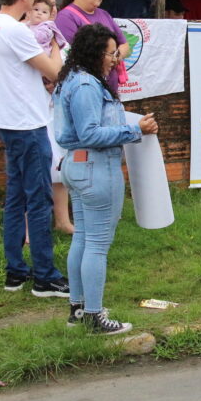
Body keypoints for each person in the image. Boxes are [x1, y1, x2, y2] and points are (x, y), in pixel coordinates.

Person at [54, 24, 157, 334]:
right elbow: (90, 133)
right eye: (112, 53)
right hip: (95, 168)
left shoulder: (72, 79)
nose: (116, 59)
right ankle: (95, 316)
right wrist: (136, 130)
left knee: (83, 238)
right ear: (96, 53)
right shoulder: (86, 85)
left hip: (78, 167)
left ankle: (79, 308)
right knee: (97, 245)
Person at [0, 0, 68, 297]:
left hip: (7, 120)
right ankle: (45, 277)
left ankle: (15, 272)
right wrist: (58, 40)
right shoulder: (16, 31)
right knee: (39, 198)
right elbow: (55, 72)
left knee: (16, 199)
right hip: (28, 123)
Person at [28, 0, 73, 235]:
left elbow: (66, 70)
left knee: (59, 165)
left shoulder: (59, 40)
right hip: (33, 110)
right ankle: (30, 226)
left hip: (57, 110)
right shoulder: (27, 34)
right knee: (34, 169)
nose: (49, 11)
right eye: (42, 8)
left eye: (52, 7)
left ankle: (62, 220)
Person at [55, 0, 131, 92]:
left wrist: (116, 57)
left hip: (110, 85)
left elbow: (124, 44)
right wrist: (109, 57)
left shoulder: (104, 14)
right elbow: (73, 53)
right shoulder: (65, 17)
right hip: (86, 86)